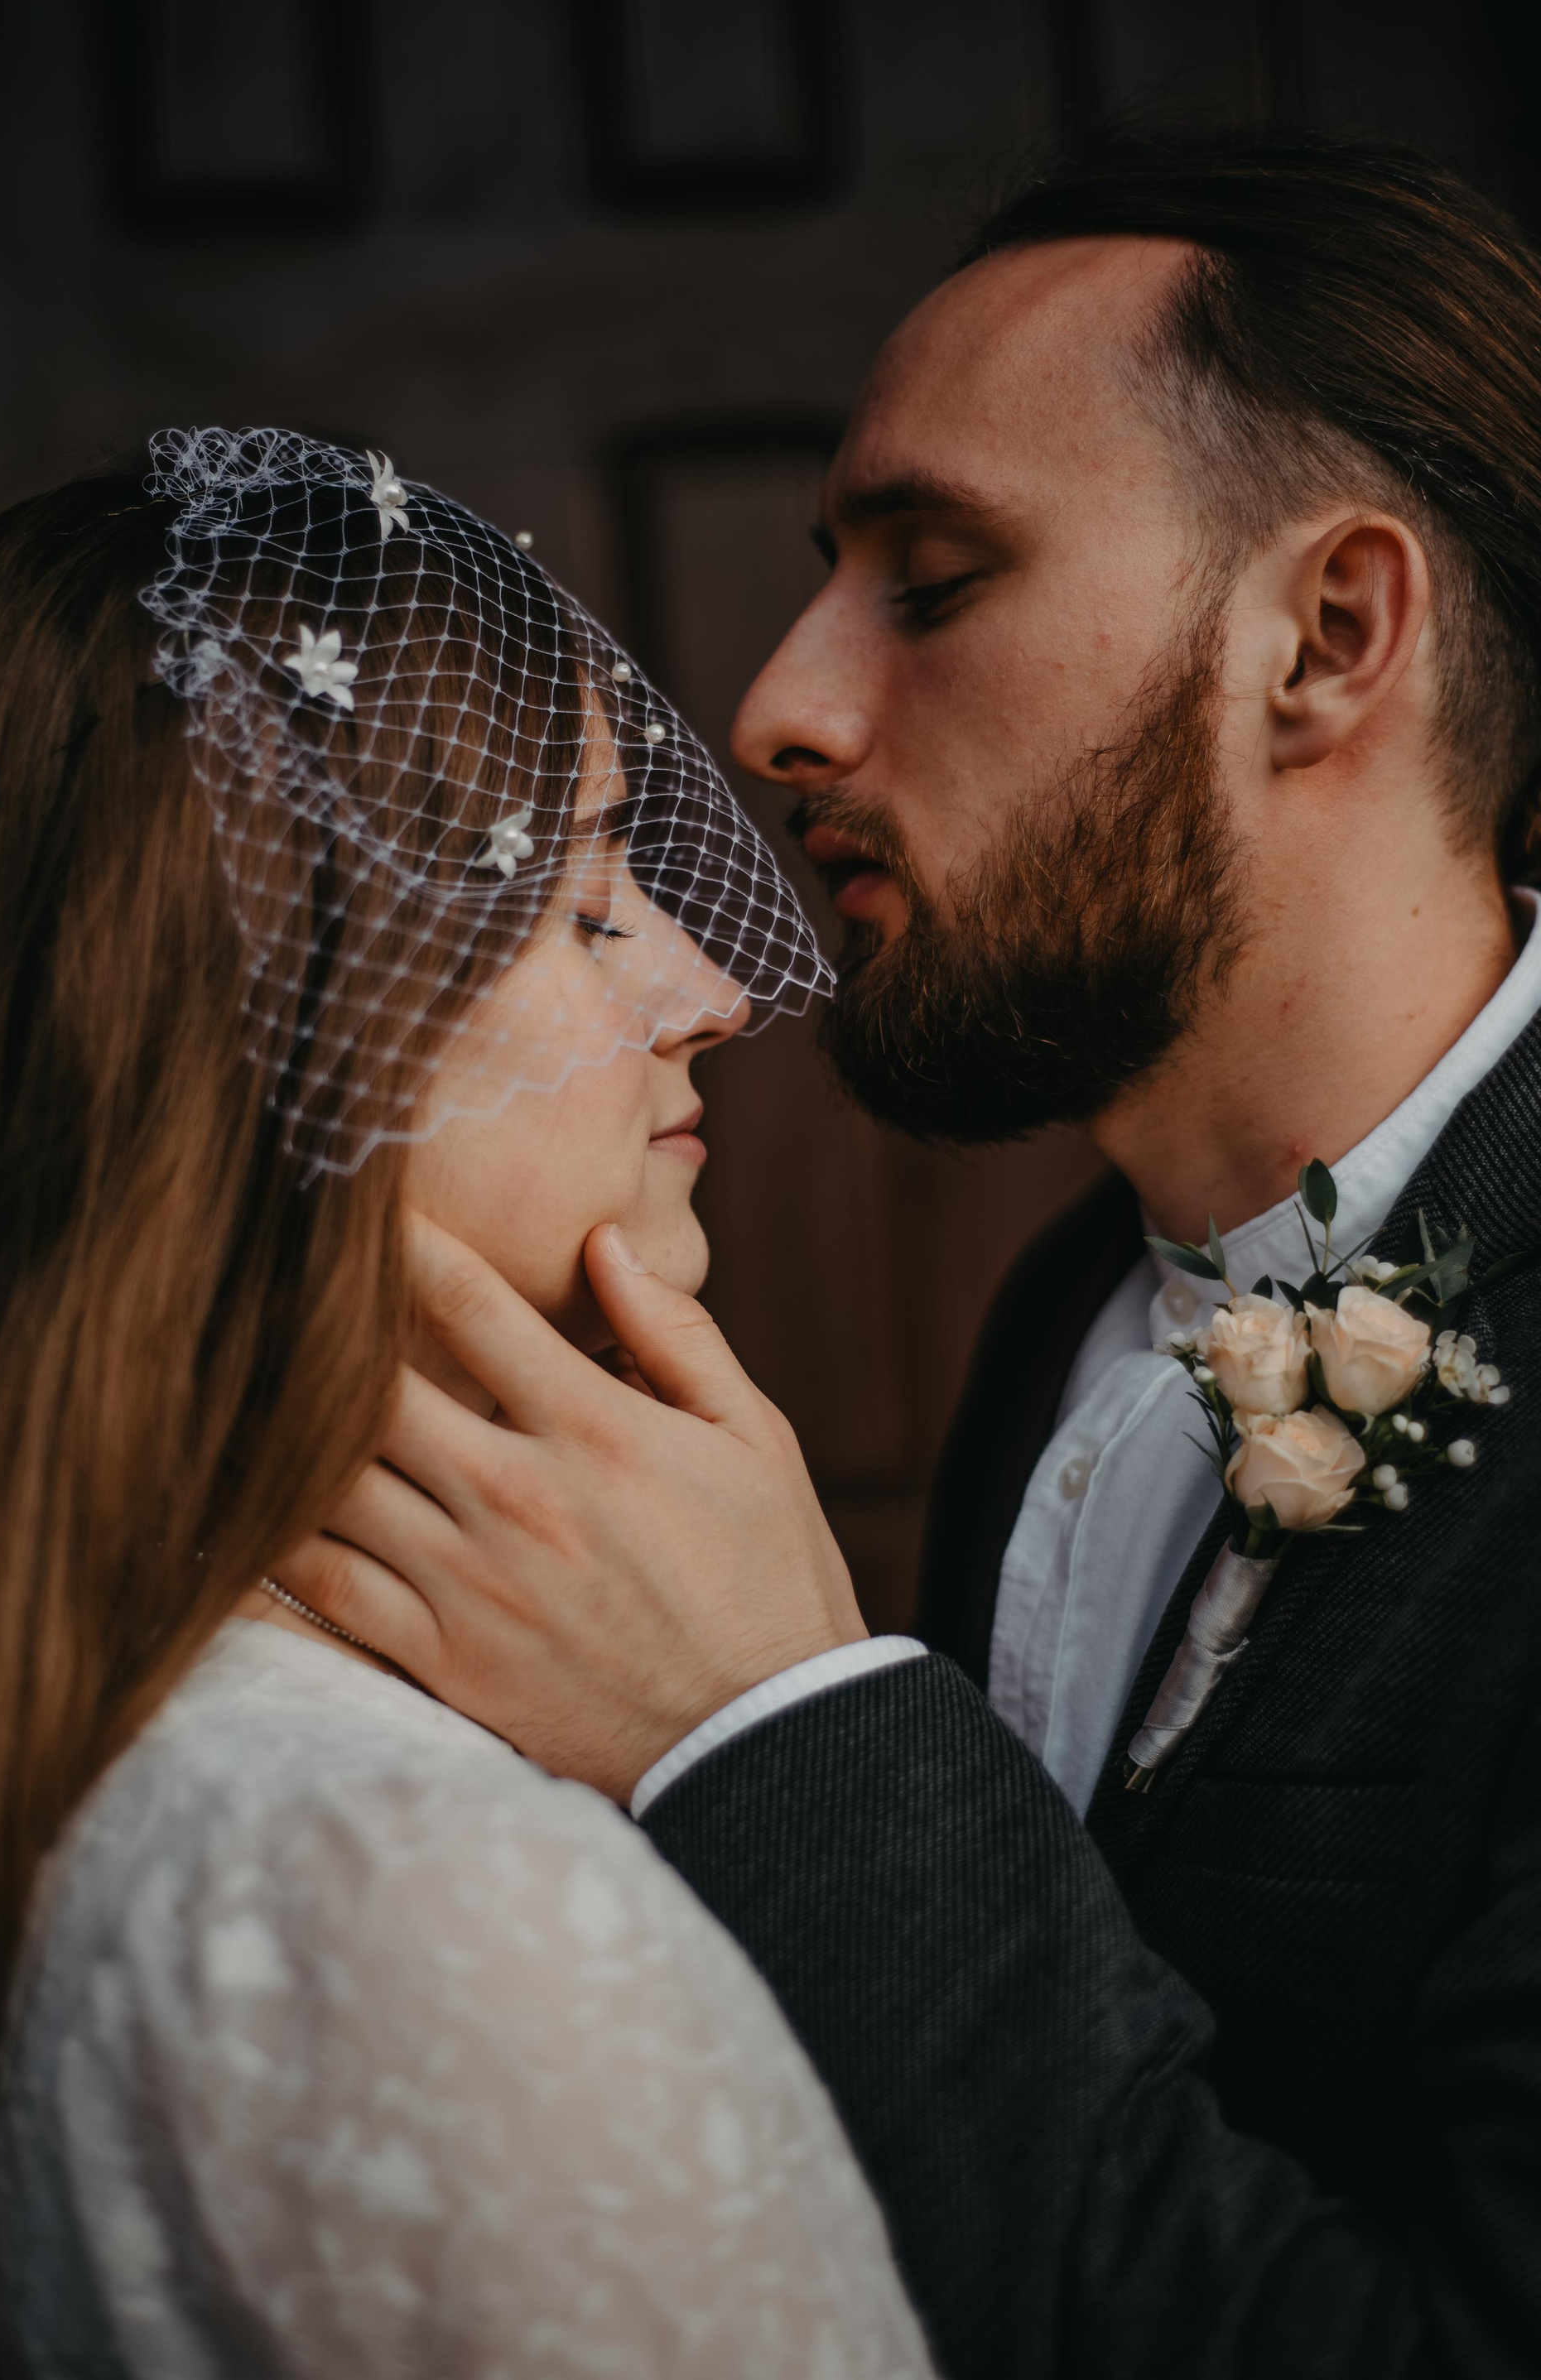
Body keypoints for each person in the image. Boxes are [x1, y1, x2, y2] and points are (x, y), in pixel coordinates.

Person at [293, 137, 1541, 2378]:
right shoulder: (1070, 1314)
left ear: (1330, 636)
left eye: (936, 581)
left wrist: (783, 1730)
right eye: (825, 578)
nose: (778, 707)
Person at [0, 430, 936, 2378]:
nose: (716, 986)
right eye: (588, 899)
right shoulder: (413, 1897)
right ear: (263, 1023)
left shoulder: (133, 1716)